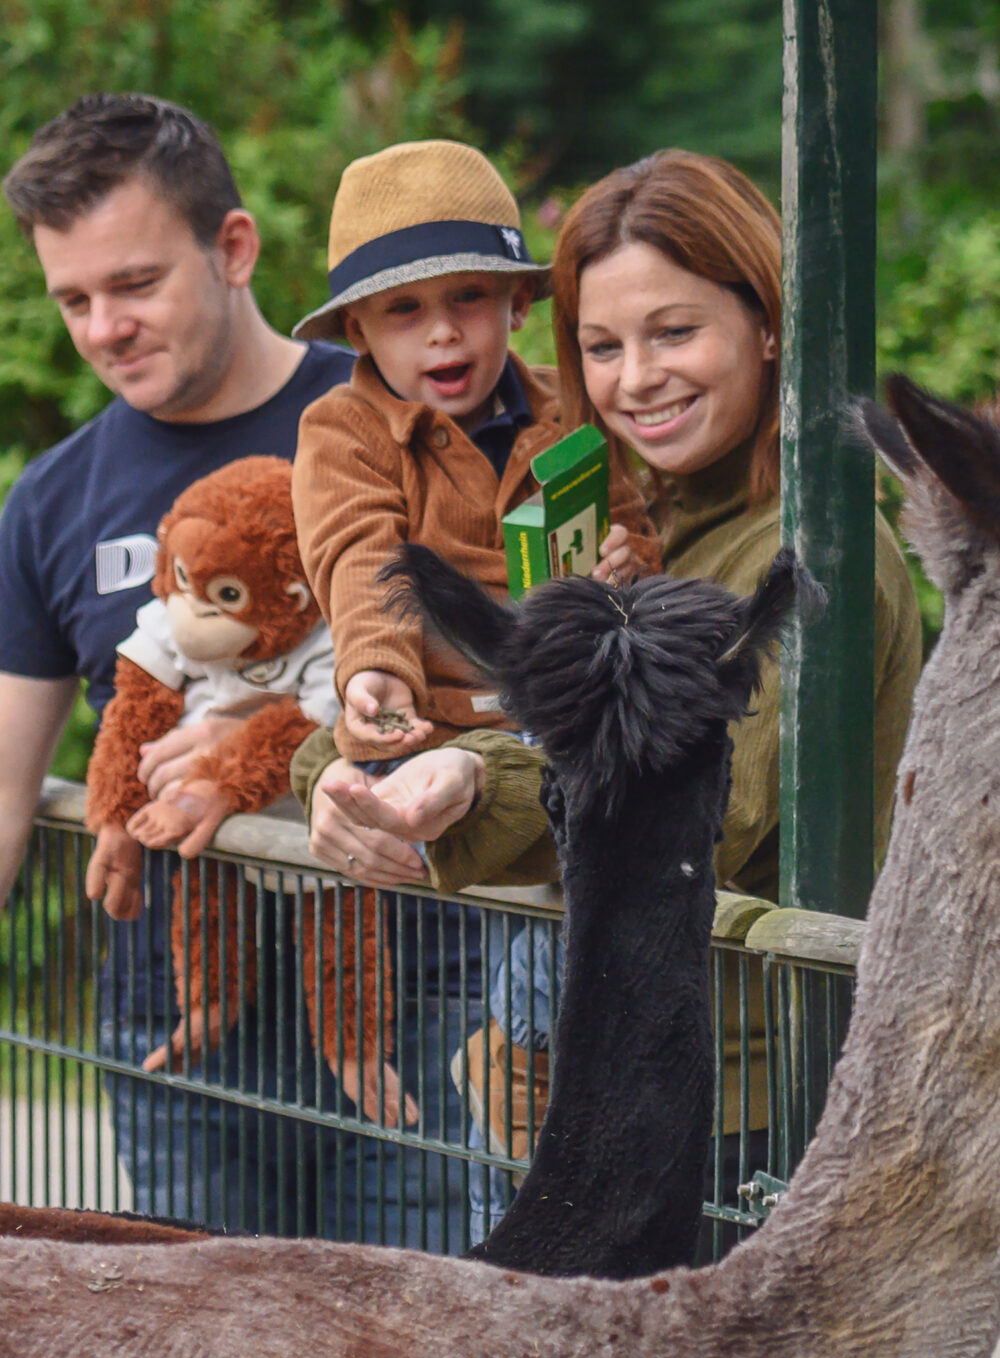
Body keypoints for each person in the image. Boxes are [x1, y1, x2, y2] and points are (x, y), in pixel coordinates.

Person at [294, 149, 923, 1245]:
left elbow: (695, 808)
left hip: (740, 1113)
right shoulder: (634, 531)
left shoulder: (807, 555)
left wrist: (458, 778)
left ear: (767, 325)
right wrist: (342, 764)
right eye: (600, 346)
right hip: (606, 1077)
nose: (635, 378)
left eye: (674, 332)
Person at [0, 92, 361, 1236]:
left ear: (234, 249)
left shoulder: (381, 416)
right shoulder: (49, 501)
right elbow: (6, 791)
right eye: (75, 300)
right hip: (173, 996)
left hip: (404, 975)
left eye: (136, 284)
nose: (105, 327)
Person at [289, 137, 660, 773]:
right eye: (404, 309)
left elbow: (633, 527)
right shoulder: (346, 429)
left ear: (515, 303)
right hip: (434, 731)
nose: (443, 331)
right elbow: (359, 554)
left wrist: (626, 574)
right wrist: (378, 668)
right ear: (358, 333)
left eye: (467, 296)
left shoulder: (567, 408)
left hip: (575, 717)